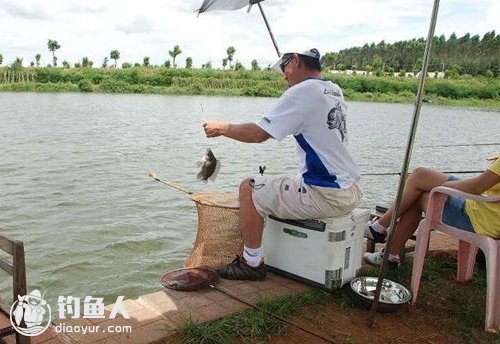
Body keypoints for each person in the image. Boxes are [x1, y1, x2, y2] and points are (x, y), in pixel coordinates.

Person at [203, 48, 362, 280]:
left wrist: (222, 128)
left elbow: (259, 134)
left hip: (326, 195)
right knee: (287, 180)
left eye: (284, 68)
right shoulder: (333, 89)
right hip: (351, 190)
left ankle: (251, 262)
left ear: (296, 61)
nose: (284, 75)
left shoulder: (302, 92)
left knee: (249, 187)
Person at [363, 154, 500, 268]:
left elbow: (477, 187)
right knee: (420, 175)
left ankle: (386, 246)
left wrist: (447, 186)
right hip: (487, 208)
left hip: (478, 218)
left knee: (417, 196)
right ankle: (381, 232)